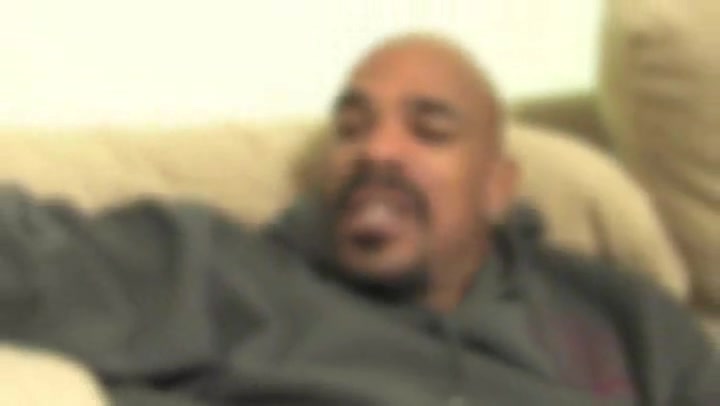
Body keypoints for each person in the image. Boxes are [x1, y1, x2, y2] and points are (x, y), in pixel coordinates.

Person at [0, 34, 717, 405]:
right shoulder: (221, 273)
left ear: (498, 188)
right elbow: (29, 257)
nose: (377, 150)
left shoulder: (618, 316)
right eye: (352, 127)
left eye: (428, 129)